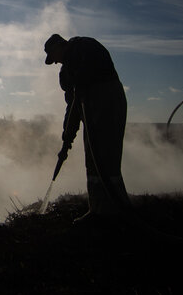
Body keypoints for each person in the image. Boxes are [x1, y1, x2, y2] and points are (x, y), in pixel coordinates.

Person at [44, 33, 130, 224]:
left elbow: (80, 91)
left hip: (108, 101)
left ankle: (118, 209)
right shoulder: (67, 69)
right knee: (92, 158)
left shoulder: (85, 47)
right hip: (91, 106)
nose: (56, 63)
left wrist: (77, 92)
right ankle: (98, 209)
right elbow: (72, 106)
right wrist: (67, 138)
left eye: (54, 57)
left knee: (106, 156)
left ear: (60, 45)